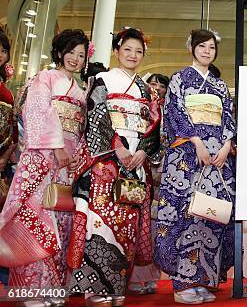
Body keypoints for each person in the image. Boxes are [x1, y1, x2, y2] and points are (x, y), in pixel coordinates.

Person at [67, 27, 161, 307]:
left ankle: (117, 286)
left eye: (139, 51)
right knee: (101, 226)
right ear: (117, 51)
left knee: (127, 229)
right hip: (107, 164)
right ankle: (95, 289)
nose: (133, 55)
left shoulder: (146, 88)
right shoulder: (102, 80)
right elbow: (97, 117)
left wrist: (143, 151)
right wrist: (118, 148)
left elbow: (154, 123)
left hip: (136, 166)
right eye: (128, 49)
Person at [0, 29, 89, 305]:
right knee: (39, 218)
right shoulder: (45, 78)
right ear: (60, 53)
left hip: (67, 163)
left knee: (62, 222)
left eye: (81, 55)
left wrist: (76, 157)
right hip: (45, 158)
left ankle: (53, 287)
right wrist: (57, 147)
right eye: (71, 52)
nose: (75, 59)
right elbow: (37, 112)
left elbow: (81, 127)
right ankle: (33, 290)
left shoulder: (81, 89)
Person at [155, 29, 236, 304]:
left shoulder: (220, 86)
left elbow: (228, 118)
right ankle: (181, 284)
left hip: (217, 160)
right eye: (202, 46)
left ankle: (202, 279)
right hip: (189, 158)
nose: (206, 51)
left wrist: (226, 146)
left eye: (211, 48)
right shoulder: (179, 78)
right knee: (186, 214)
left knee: (211, 215)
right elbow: (175, 112)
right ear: (192, 48)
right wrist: (196, 141)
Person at [128, 73, 169, 295]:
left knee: (156, 227)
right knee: (138, 221)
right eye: (152, 84)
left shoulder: (169, 109)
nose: (157, 88)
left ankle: (152, 277)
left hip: (164, 172)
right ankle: (133, 278)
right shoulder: (140, 106)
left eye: (161, 85)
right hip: (140, 166)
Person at [0, 29, 16, 286]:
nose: (0, 55)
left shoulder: (6, 89)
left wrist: (6, 155)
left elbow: (11, 125)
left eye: (3, 50)